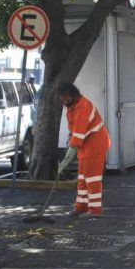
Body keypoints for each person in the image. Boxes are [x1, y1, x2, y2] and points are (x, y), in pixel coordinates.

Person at [56, 83, 111, 217]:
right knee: (82, 178)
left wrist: (65, 162)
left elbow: (77, 138)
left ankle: (95, 210)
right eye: (62, 98)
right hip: (85, 145)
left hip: (95, 145)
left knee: (92, 179)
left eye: (66, 98)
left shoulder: (82, 107)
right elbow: (74, 131)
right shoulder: (72, 106)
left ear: (73, 96)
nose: (64, 101)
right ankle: (81, 207)